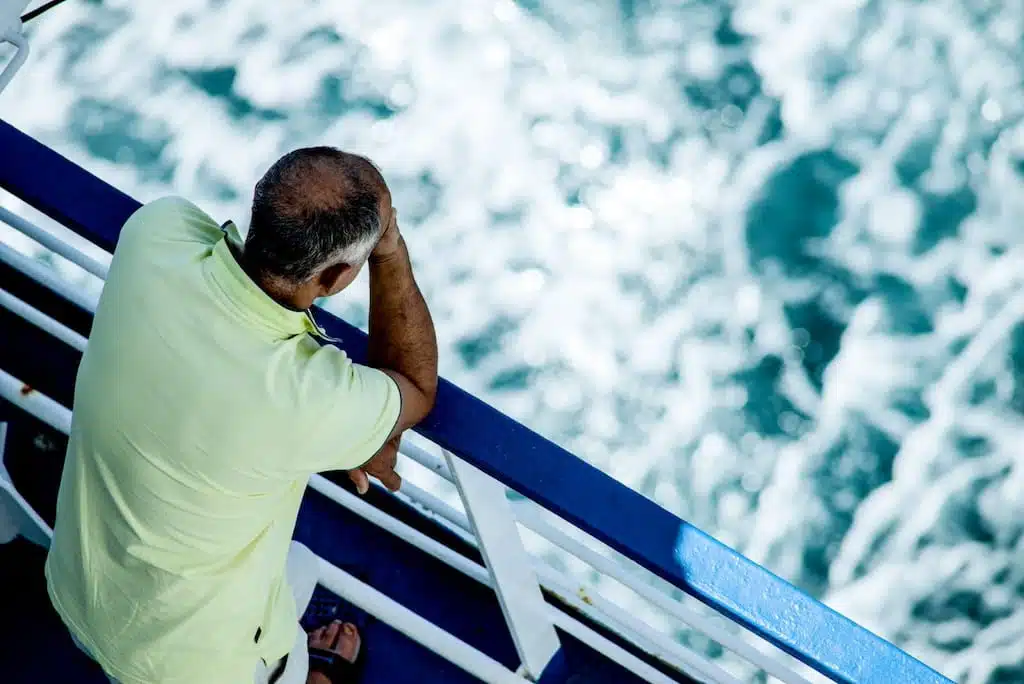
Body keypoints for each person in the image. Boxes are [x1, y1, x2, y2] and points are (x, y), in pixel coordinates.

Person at [44, 146, 438, 684]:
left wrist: (350, 425)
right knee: (299, 588)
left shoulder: (154, 234)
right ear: (338, 276)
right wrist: (389, 254)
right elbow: (414, 389)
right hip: (191, 671)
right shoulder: (308, 400)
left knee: (297, 566)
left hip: (78, 594)